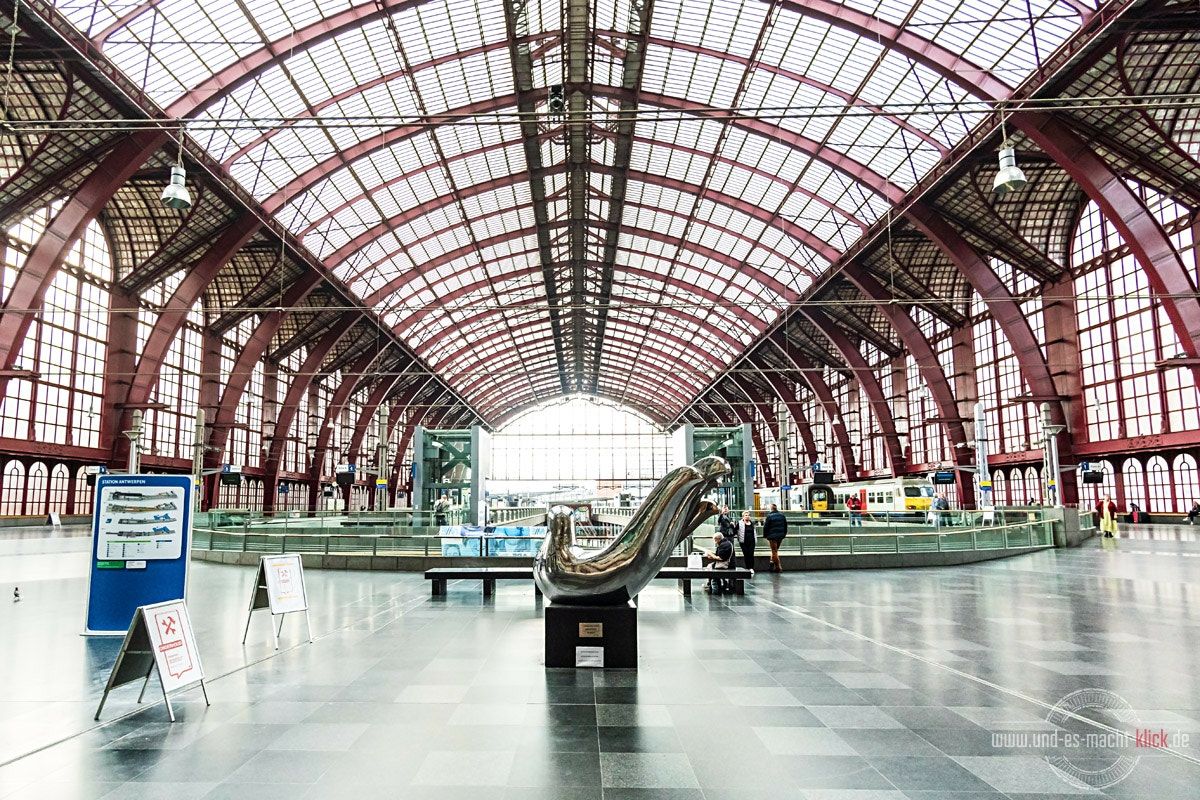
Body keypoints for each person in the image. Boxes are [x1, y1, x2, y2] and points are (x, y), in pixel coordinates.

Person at [762, 503, 788, 572]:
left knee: (774, 551)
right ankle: (771, 562)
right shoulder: (782, 515)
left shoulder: (769, 516)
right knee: (775, 551)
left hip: (772, 536)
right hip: (780, 535)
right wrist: (784, 534)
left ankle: (778, 567)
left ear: (771, 508)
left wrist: (765, 535)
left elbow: (766, 527)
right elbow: (785, 526)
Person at [735, 509, 756, 576]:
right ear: (743, 516)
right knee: (746, 554)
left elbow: (754, 531)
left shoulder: (752, 523)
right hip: (743, 542)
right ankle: (748, 567)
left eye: (748, 515)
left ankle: (751, 567)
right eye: (745, 515)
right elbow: (735, 530)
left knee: (751, 554)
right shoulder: (740, 523)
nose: (747, 516)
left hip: (752, 541)